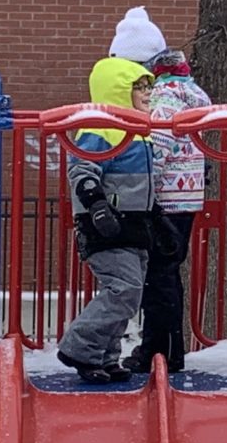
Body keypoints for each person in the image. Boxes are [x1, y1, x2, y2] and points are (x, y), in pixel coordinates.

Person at [109, 9, 213, 373]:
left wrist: (137, 183)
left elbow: (158, 146)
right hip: (183, 196)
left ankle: (160, 352)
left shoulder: (164, 95)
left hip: (165, 197)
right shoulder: (186, 89)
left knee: (158, 276)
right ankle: (166, 349)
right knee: (164, 272)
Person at [56, 53, 156, 384]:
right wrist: (97, 205)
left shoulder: (140, 132)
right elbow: (82, 169)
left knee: (130, 294)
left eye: (149, 87)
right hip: (105, 223)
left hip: (135, 224)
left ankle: (105, 355)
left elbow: (142, 184)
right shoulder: (101, 128)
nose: (147, 93)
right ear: (118, 89)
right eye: (139, 87)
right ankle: (80, 348)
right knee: (123, 289)